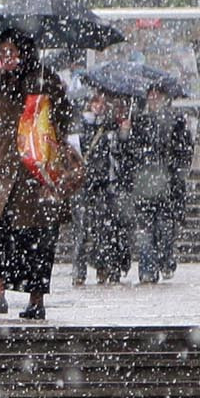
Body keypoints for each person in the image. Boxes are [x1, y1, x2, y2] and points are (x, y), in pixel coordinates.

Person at [0, 32, 76, 321]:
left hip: (34, 174)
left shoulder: (45, 81)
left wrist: (46, 117)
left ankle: (36, 299)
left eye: (13, 51)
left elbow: (64, 118)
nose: (8, 58)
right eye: (3, 52)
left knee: (37, 240)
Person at [130, 84, 194, 284]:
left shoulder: (176, 122)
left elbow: (185, 151)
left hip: (167, 186)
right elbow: (130, 152)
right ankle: (147, 271)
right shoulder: (138, 122)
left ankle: (165, 261)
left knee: (165, 229)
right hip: (144, 186)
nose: (154, 99)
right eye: (151, 95)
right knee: (145, 231)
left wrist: (176, 170)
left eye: (157, 95)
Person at [74, 91, 135, 285]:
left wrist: (124, 134)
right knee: (83, 229)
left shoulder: (109, 126)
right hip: (84, 183)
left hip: (105, 184)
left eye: (103, 103)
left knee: (105, 229)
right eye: (95, 101)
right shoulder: (81, 125)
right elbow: (75, 150)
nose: (99, 106)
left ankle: (104, 267)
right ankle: (79, 271)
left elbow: (120, 152)